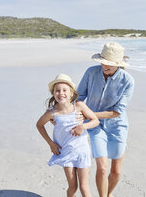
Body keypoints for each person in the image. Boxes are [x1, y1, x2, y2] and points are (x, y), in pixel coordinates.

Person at [77, 42, 134, 197]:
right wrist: (63, 113)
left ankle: (108, 194)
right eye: (103, 61)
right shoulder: (91, 72)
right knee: (102, 168)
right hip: (95, 126)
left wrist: (89, 114)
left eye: (109, 64)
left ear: (118, 64)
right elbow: (79, 97)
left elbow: (116, 112)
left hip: (117, 126)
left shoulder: (128, 81)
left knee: (116, 172)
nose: (104, 65)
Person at [36, 73, 99, 197]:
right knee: (73, 187)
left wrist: (83, 126)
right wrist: (51, 143)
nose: (61, 93)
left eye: (64, 90)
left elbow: (95, 120)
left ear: (71, 93)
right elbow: (39, 125)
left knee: (84, 187)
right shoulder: (52, 112)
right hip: (66, 153)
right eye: (57, 91)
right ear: (53, 93)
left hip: (82, 151)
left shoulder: (79, 106)